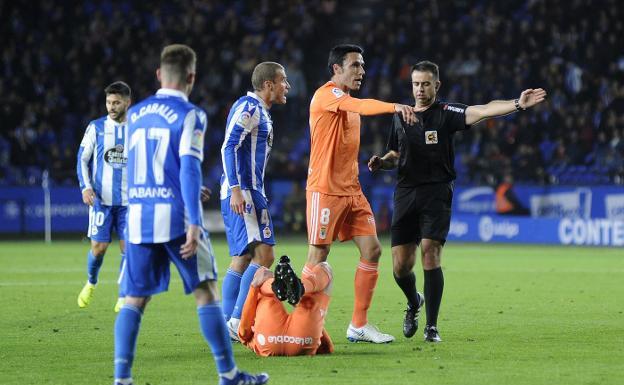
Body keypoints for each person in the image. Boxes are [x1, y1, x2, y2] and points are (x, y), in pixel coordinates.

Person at [113, 44, 268, 385]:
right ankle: (229, 375)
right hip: (177, 218)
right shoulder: (191, 115)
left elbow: (135, 167)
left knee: (134, 299)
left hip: (139, 217)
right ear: (192, 77)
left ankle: (121, 379)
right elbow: (187, 169)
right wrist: (195, 220)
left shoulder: (134, 113)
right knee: (206, 292)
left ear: (159, 74)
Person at [368, 61, 547, 342]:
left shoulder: (446, 113)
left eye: (426, 84)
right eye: (416, 84)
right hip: (406, 193)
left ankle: (431, 327)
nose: (420, 89)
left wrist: (518, 104)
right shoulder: (400, 115)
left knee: (430, 253)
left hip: (437, 192)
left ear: (436, 86)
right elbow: (395, 154)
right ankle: (414, 302)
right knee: (401, 267)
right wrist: (382, 162)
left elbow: (483, 110)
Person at [306, 44, 417, 344]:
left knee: (373, 250)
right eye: (355, 65)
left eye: (363, 66)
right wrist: (395, 106)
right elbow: (363, 106)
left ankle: (358, 324)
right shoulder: (326, 95)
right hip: (325, 190)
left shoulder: (349, 104)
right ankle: (296, 319)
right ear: (336, 69)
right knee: (318, 256)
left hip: (352, 190)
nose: (362, 71)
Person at [219, 61, 290, 339]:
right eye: (283, 80)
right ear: (268, 85)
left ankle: (228, 324)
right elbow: (228, 145)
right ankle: (236, 321)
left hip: (249, 190)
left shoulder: (257, 110)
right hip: (245, 191)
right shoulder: (251, 109)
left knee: (243, 257)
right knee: (264, 255)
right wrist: (236, 189)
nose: (287, 86)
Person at [76, 81, 131, 313]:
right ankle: (91, 281)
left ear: (128, 102)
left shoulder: (137, 128)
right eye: (109, 102)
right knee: (98, 247)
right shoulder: (96, 127)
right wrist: (85, 187)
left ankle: (123, 294)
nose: (112, 106)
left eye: (116, 102)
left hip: (130, 203)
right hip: (101, 200)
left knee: (129, 250)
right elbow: (82, 159)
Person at [237, 256, 335, 356]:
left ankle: (274, 285)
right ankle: (302, 287)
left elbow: (244, 333)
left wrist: (254, 286)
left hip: (268, 342)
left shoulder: (253, 343)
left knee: (262, 274)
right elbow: (328, 348)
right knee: (325, 267)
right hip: (303, 339)